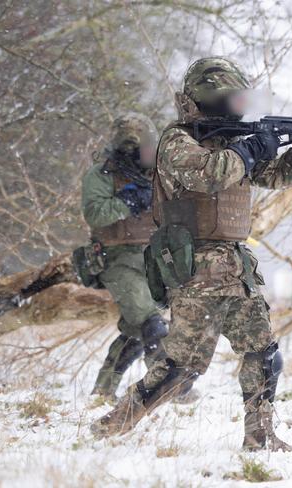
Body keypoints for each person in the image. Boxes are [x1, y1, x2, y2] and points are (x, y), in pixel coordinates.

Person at [90, 58, 292, 451]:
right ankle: (111, 427)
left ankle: (261, 437)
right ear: (209, 95)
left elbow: (276, 175)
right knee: (180, 369)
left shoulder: (231, 145)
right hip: (197, 271)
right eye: (233, 97)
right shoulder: (178, 140)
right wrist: (252, 148)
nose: (240, 105)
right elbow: (209, 173)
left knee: (264, 355)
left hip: (236, 269)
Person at [79, 113, 171, 400]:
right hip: (115, 259)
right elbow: (94, 213)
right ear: (128, 151)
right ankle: (167, 385)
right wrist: (126, 201)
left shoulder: (157, 174)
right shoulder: (101, 174)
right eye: (144, 149)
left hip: (150, 258)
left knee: (135, 330)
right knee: (151, 322)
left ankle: (103, 389)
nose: (149, 155)